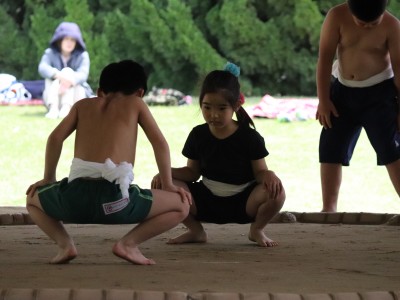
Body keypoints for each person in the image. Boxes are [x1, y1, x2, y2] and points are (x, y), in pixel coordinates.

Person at [26, 60, 191, 265]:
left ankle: (65, 244)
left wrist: (48, 178)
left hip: (73, 202)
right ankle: (128, 244)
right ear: (140, 92)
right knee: (182, 206)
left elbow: (55, 138)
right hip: (117, 203)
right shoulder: (136, 104)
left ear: (99, 91)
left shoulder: (81, 106)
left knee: (32, 200)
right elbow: (160, 143)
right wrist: (168, 184)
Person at [152, 62, 285, 247]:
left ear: (236, 105)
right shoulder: (198, 134)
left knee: (276, 193)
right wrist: (166, 174)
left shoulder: (249, 137)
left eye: (221, 108)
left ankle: (257, 229)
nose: (213, 114)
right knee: (164, 184)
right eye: (207, 107)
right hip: (205, 199)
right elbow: (192, 173)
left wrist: (269, 174)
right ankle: (195, 231)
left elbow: (260, 173)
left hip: (245, 201)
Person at [316, 0, 400, 212]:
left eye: (373, 23)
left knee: (392, 150)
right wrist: (324, 100)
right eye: (361, 22)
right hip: (342, 93)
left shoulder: (392, 26)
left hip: (380, 95)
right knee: (330, 147)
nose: (367, 26)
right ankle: (328, 209)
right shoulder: (336, 17)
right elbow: (324, 59)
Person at [38, 22, 93, 119]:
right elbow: (42, 68)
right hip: (54, 96)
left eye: (72, 40)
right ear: (60, 40)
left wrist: (69, 81)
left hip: (76, 98)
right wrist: (58, 76)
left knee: (68, 71)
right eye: (66, 39)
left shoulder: (83, 55)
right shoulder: (49, 53)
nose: (69, 43)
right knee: (51, 78)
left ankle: (66, 108)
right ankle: (53, 109)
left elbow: (83, 74)